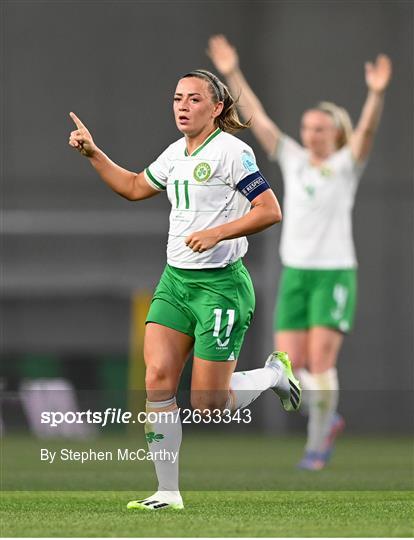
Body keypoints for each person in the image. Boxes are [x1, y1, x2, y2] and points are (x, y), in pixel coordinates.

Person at [68, 69, 301, 510]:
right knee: (156, 380)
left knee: (209, 404)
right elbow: (136, 187)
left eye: (194, 99)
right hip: (176, 282)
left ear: (217, 108)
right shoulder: (175, 153)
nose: (182, 105)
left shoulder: (234, 152)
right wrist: (94, 154)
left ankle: (274, 374)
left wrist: (219, 233)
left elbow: (269, 210)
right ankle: (167, 492)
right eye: (178, 98)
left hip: (221, 288)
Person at [207, 35, 392, 470]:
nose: (311, 134)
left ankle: (316, 445)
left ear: (335, 134)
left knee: (321, 362)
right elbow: (260, 120)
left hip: (334, 272)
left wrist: (376, 94)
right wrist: (232, 71)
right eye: (307, 127)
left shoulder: (346, 164)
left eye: (320, 129)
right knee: (290, 368)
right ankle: (327, 417)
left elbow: (366, 132)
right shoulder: (291, 156)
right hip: (296, 272)